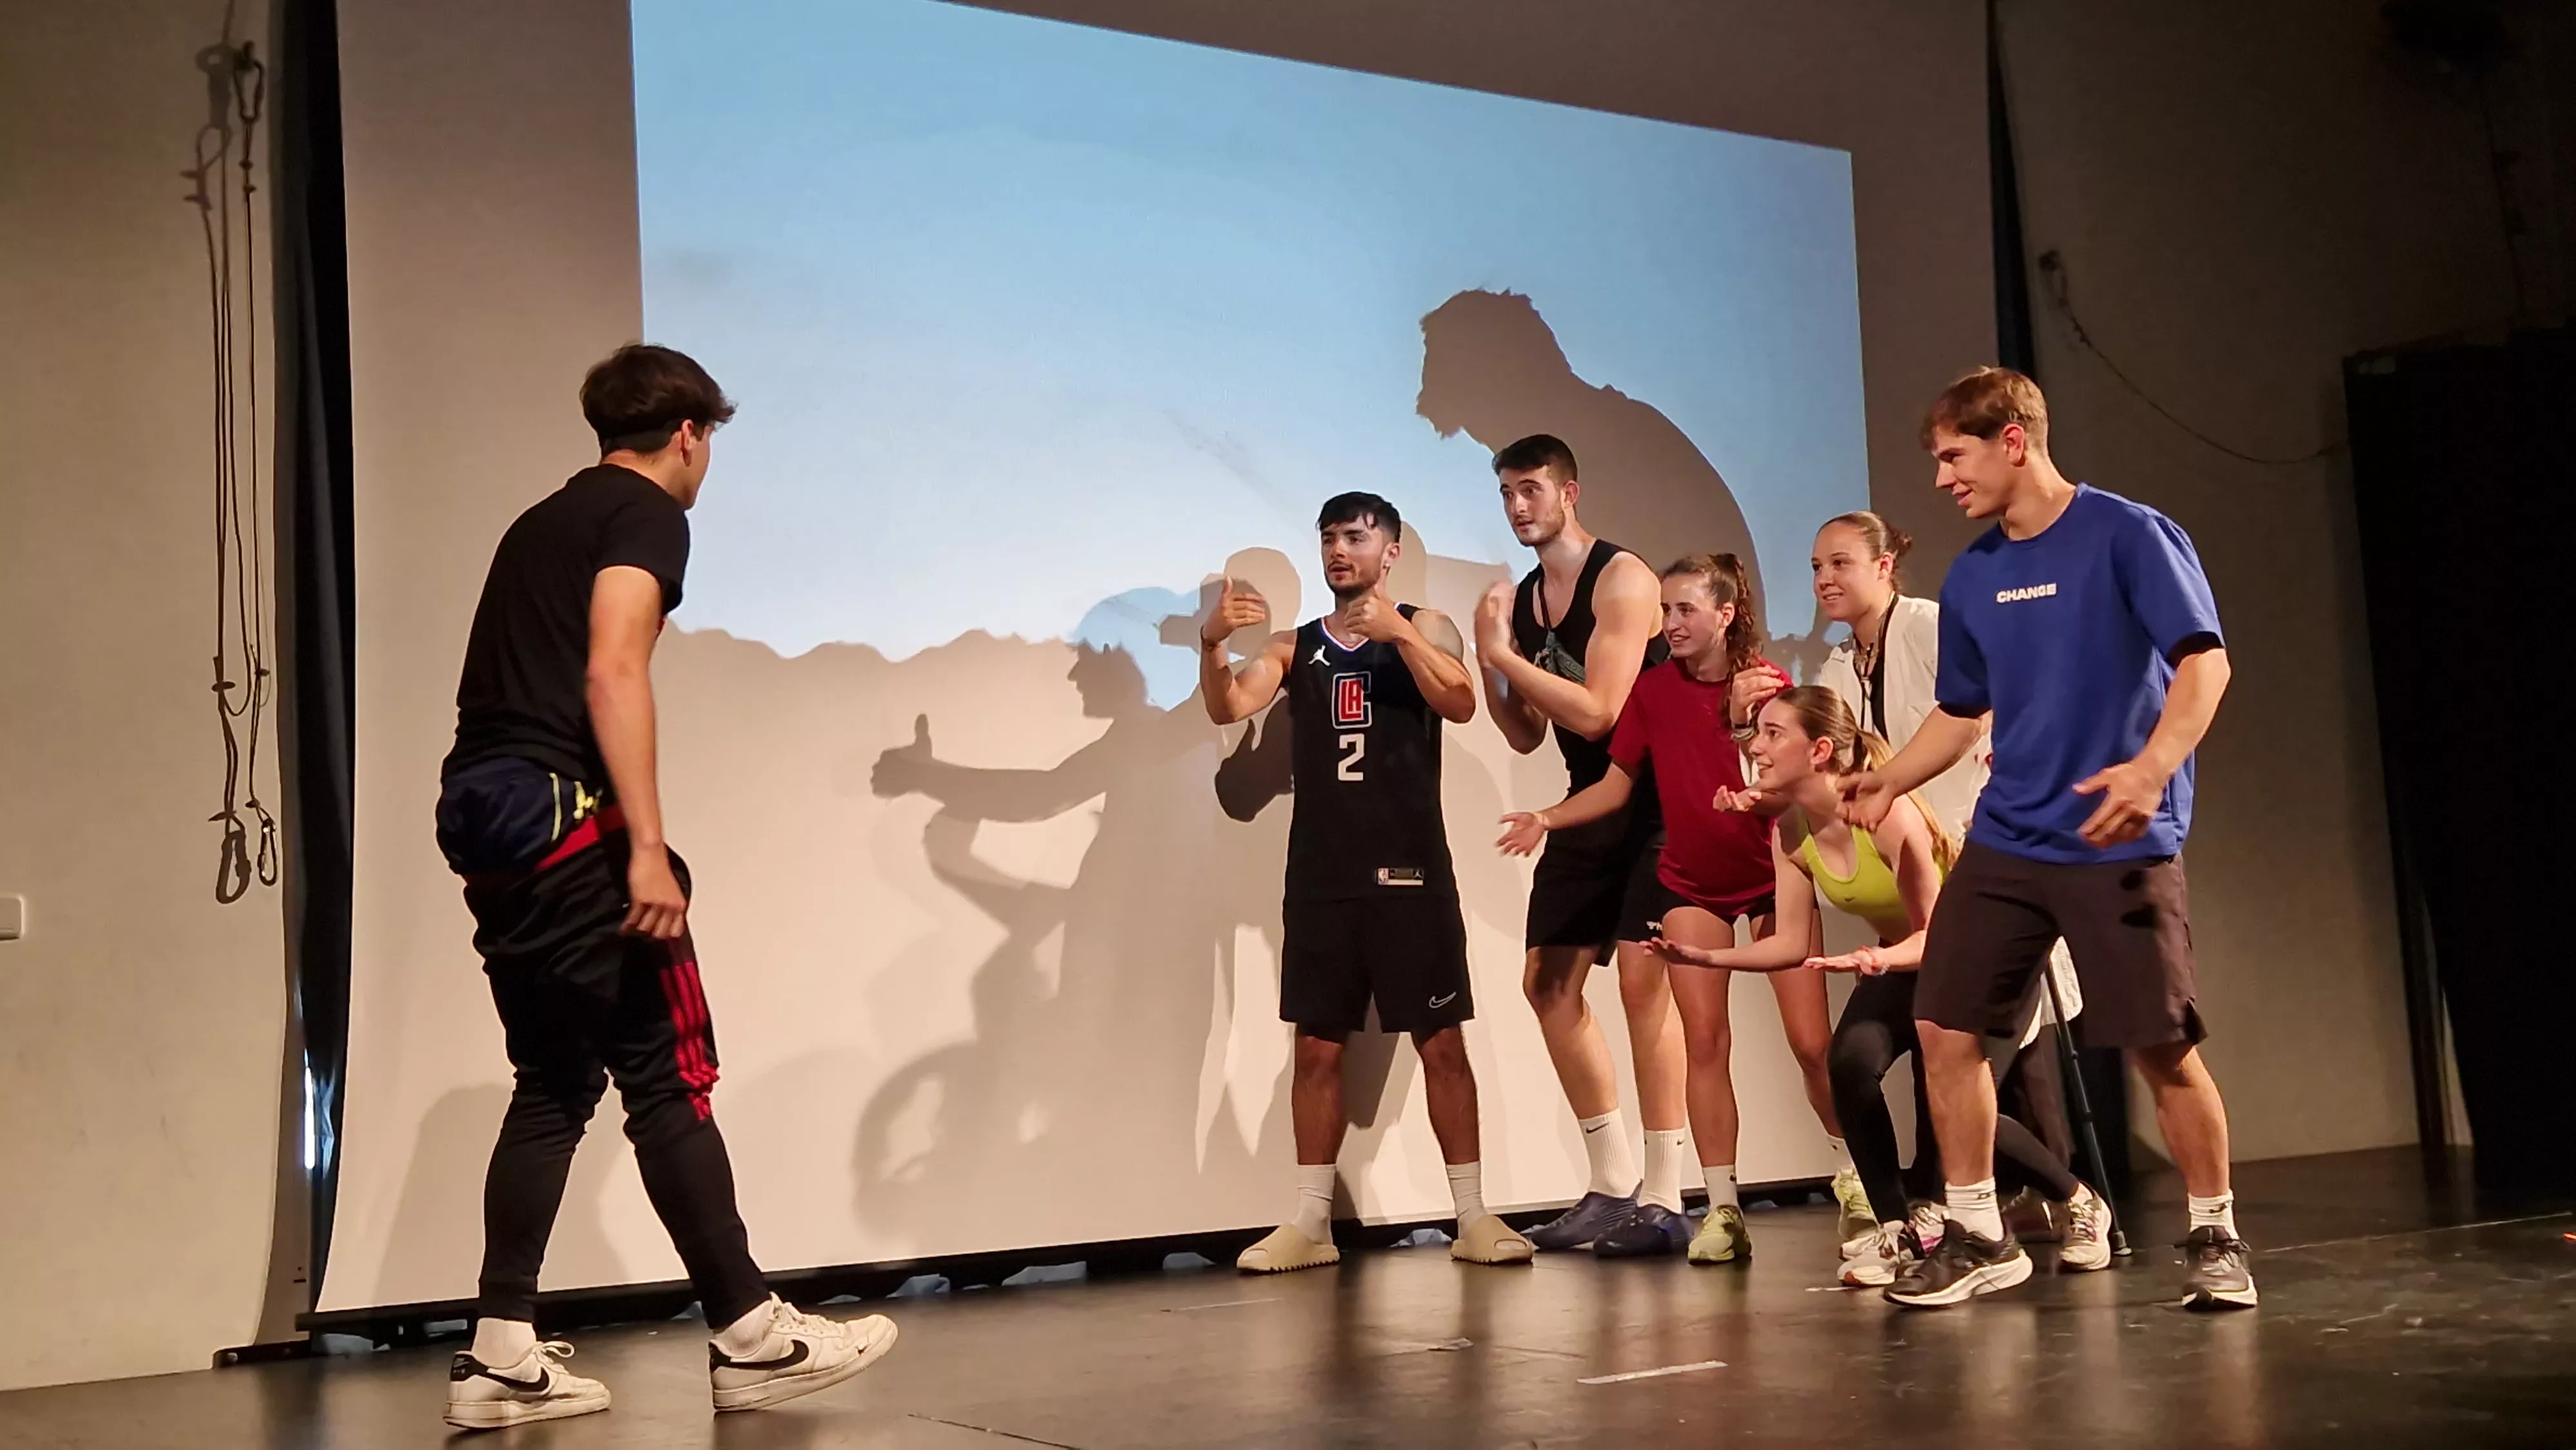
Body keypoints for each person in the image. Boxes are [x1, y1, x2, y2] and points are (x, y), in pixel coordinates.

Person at [433, 345, 896, 1429]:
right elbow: (613, 667)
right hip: (565, 817)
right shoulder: (646, 514)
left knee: (555, 1077)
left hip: (487, 814)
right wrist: (644, 844)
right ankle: (753, 1334)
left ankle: (502, 1353)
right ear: (690, 433)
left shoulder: (541, 520)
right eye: (709, 444)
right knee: (666, 1069)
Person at [1844, 366, 2253, 1310]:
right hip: (2009, 841)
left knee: (2160, 1045)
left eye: (1956, 456)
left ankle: (2215, 1231)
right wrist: (1891, 776)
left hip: (2118, 838)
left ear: (2013, 440)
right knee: (1943, 1027)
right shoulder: (1977, 574)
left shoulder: (2128, 535)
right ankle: (1981, 1231)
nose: (1944, 479)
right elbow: (1962, 710)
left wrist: (2150, 769)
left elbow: (2206, 665)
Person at [1656, 686, 2114, 1292]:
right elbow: (1791, 943)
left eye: (1771, 734)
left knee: (1957, 1102)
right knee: (1847, 1063)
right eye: (1755, 734)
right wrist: (1706, 956)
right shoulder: (1792, 831)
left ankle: (2080, 1201)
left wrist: (1875, 956)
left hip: (1980, 959)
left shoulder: (1889, 815)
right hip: (1900, 961)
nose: (1755, 749)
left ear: (1820, 750)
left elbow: (1937, 936)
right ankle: (1897, 1225)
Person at [1198, 491, 1534, 1274]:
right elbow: (1230, 700)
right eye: (1328, 538)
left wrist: (1399, 634)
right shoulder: (1295, 645)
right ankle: (1311, 1222)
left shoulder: (1426, 626)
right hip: (1321, 874)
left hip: (1411, 871)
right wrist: (1212, 645)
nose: (1338, 550)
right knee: (1315, 1046)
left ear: (1389, 552)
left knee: (1441, 1040)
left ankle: (1473, 1214)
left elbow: (1457, 701)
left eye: (1355, 536)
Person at [1499, 555, 1850, 1263]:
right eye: (1664, 609)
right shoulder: (1653, 690)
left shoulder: (1765, 688)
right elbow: (1615, 785)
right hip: (1692, 881)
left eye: (1685, 609)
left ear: (1724, 614)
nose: (1670, 623)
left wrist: (1746, 730)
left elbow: (1788, 783)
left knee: (1811, 1043)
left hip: (1768, 874)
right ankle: (1721, 1207)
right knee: (1703, 1041)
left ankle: (1859, 1174)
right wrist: (1547, 816)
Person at [1810, 511, 2090, 1255]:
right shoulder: (1837, 668)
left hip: (1981, 846)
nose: (1824, 579)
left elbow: (1979, 710)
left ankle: (2048, 1196)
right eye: (1814, 567)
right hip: (1918, 875)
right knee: (1940, 1044)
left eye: (1839, 562)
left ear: (1884, 566)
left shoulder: (1931, 626)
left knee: (1990, 1052)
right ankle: (1948, 1206)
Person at [1467, 435, 1697, 1253]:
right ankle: (1612, 1179)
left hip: (1660, 799)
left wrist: (1499, 652)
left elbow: (1601, 708)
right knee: (1547, 982)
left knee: (1643, 980)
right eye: (1506, 492)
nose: (1518, 505)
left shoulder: (1623, 577)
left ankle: (1667, 1194)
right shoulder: (1527, 597)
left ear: (1570, 491)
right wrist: (1491, 661)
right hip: (1592, 797)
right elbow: (1526, 732)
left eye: (1530, 488)